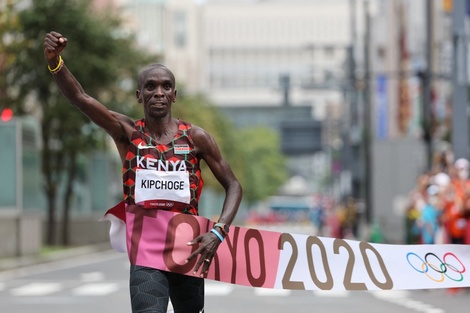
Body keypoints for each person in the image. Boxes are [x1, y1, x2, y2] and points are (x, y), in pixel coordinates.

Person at [44, 31, 242, 313]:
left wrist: (219, 232)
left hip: (188, 248)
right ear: (139, 95)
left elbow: (234, 185)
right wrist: (55, 62)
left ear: (175, 94)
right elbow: (80, 98)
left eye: (165, 86)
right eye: (150, 87)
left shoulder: (196, 138)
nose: (158, 92)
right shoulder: (127, 132)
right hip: (146, 250)